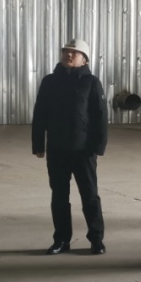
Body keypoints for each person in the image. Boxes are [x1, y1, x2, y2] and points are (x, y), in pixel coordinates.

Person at [32, 39, 108, 255]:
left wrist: (98, 146)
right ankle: (61, 240)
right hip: (57, 149)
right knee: (59, 197)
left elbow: (100, 116)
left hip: (83, 151)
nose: (69, 54)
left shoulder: (91, 82)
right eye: (66, 51)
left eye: (75, 52)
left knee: (90, 196)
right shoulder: (49, 82)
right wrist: (38, 144)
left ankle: (96, 239)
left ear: (84, 60)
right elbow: (40, 114)